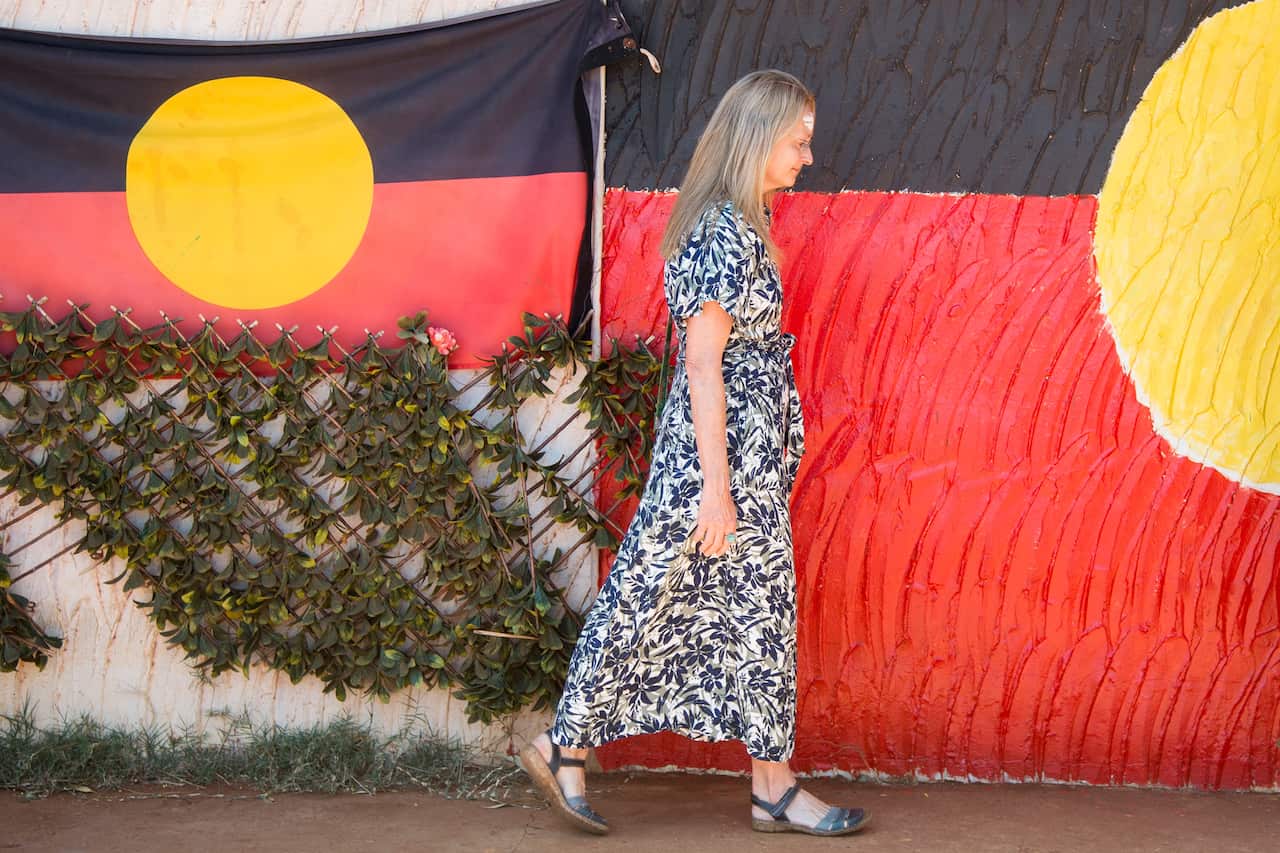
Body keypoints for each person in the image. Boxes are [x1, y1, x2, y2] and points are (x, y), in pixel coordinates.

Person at [520, 69, 869, 838]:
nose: (807, 157)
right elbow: (704, 363)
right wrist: (717, 488)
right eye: (797, 142)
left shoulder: (739, 225)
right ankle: (562, 741)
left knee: (760, 615)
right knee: (649, 588)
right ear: (756, 138)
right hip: (713, 463)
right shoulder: (720, 231)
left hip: (741, 458)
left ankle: (771, 785)